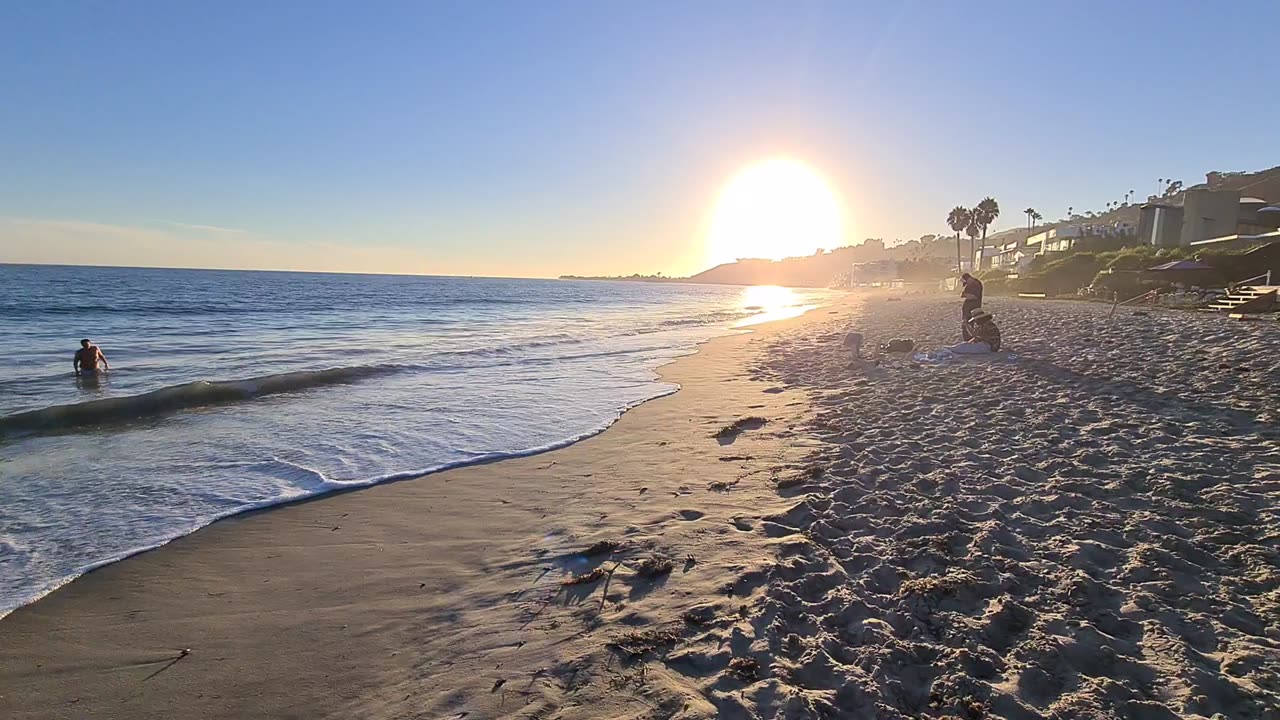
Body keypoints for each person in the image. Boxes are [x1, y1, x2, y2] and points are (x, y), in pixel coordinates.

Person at [959, 273, 984, 340]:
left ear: (969, 279)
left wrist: (967, 295)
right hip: (969, 307)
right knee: (968, 323)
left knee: (968, 323)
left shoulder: (976, 284)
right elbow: (962, 294)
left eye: (966, 282)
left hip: (972, 307)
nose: (966, 284)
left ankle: (969, 338)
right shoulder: (970, 284)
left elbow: (974, 297)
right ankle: (969, 338)